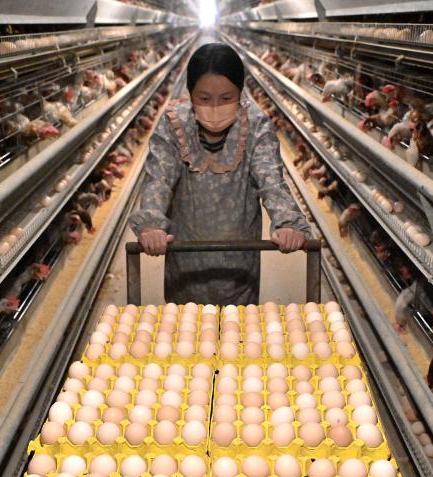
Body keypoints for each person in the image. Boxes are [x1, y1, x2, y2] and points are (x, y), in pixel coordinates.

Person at [128, 42, 311, 305]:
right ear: (190, 94)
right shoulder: (173, 125)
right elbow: (159, 179)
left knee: (237, 336)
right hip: (185, 264)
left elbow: (272, 182)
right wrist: (151, 225)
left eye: (226, 98)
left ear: (240, 93)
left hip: (238, 268)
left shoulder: (256, 127)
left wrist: (288, 223)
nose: (215, 108)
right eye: (204, 98)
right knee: (187, 335)